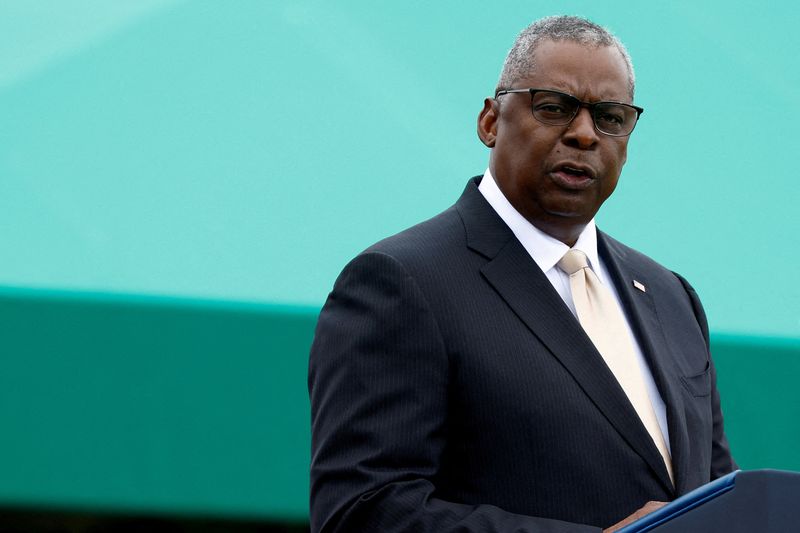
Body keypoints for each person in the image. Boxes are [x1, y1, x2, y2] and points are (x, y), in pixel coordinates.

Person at [308, 15, 736, 533]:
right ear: (490, 121)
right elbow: (362, 513)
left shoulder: (671, 297)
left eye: (610, 117)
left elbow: (715, 496)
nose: (583, 134)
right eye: (553, 108)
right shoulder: (400, 282)